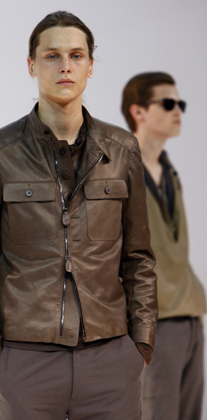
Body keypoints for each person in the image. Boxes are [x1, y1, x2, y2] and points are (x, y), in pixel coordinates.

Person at [0, 12, 158, 420]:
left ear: (89, 65)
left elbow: (139, 257)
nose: (65, 65)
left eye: (76, 55)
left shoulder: (121, 149)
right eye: (52, 55)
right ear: (31, 65)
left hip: (112, 361)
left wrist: (141, 345)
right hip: (23, 363)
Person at [121, 72, 206, 420]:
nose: (178, 112)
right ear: (138, 111)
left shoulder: (169, 171)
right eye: (168, 104)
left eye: (180, 104)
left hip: (189, 318)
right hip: (154, 322)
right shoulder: (120, 170)